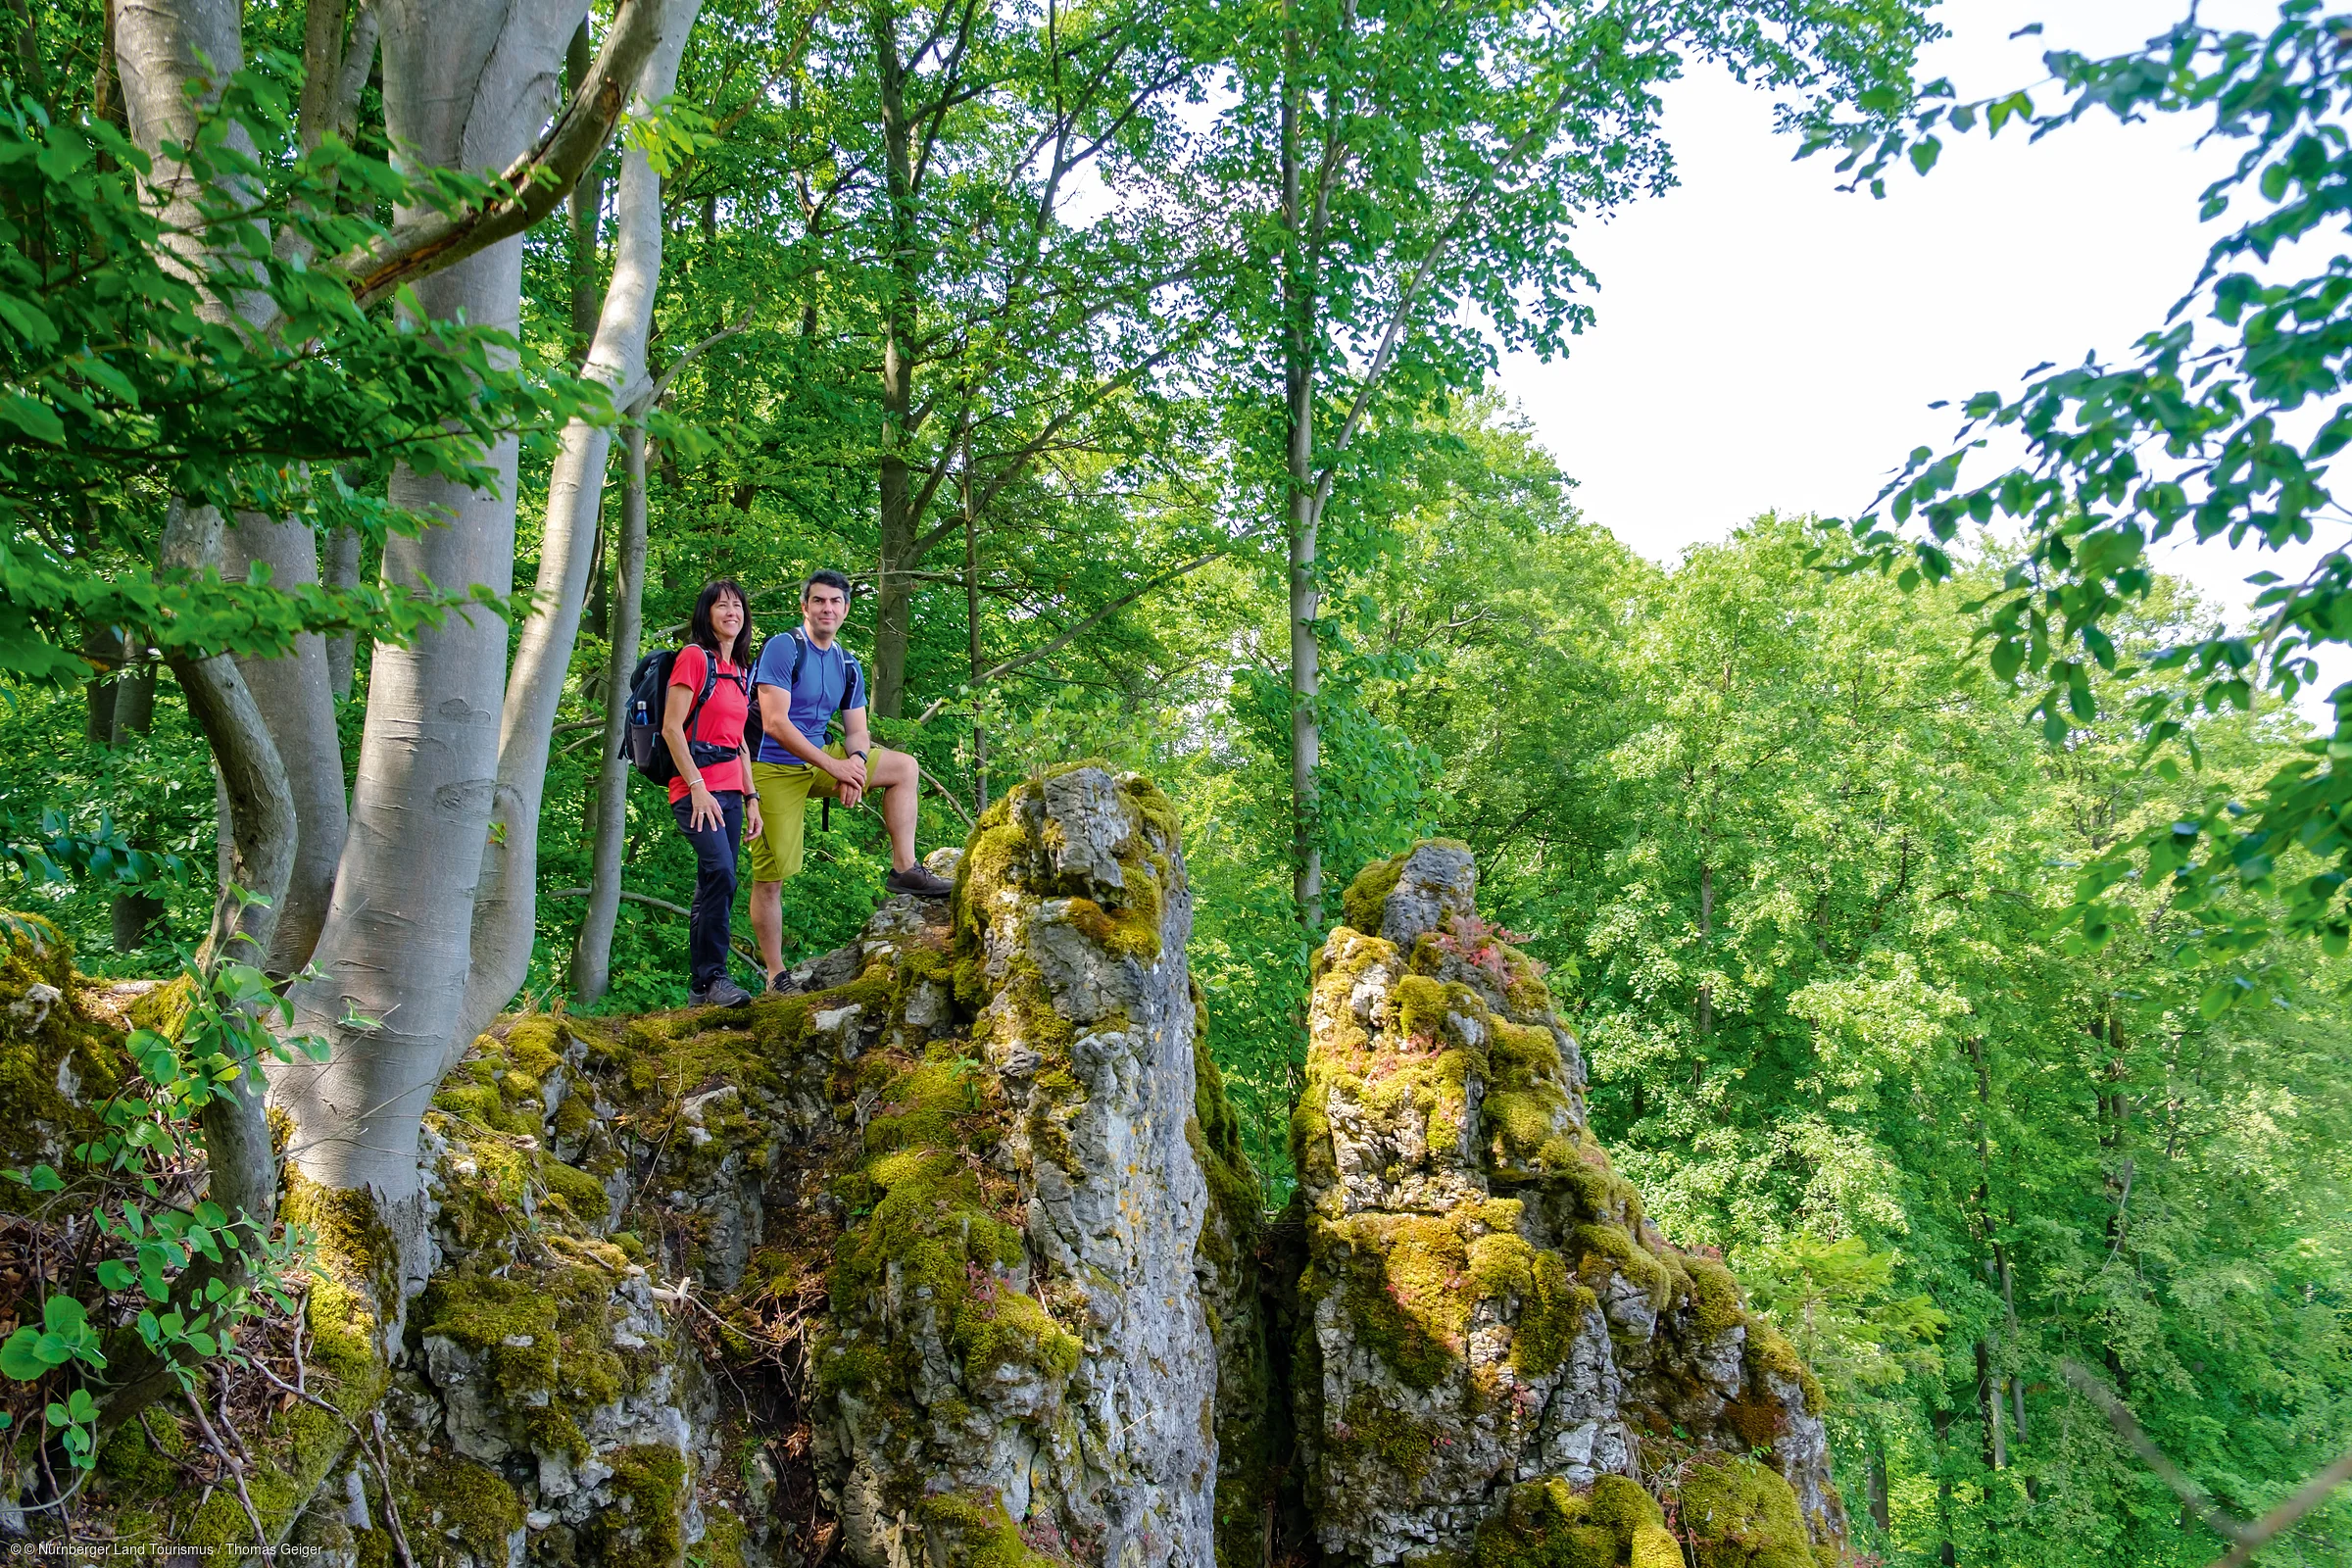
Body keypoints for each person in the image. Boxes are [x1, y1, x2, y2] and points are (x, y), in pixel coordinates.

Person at [748, 568, 953, 989]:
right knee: (772, 878)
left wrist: (855, 765)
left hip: (822, 759)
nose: (827, 608)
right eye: (819, 601)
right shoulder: (784, 648)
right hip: (771, 766)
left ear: (845, 609)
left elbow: (858, 731)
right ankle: (775, 973)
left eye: (835, 602)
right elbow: (774, 723)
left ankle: (905, 869)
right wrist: (834, 766)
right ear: (804, 606)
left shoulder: (846, 662)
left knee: (903, 767)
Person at [662, 579, 763, 1007]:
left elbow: (739, 740)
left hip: (729, 792)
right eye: (721, 606)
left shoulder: (741, 672)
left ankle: (700, 988)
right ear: (706, 614)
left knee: (713, 882)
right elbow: (671, 728)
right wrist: (699, 788)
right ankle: (715, 976)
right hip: (694, 789)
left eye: (737, 606)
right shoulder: (693, 658)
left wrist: (751, 797)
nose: (731, 613)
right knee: (722, 872)